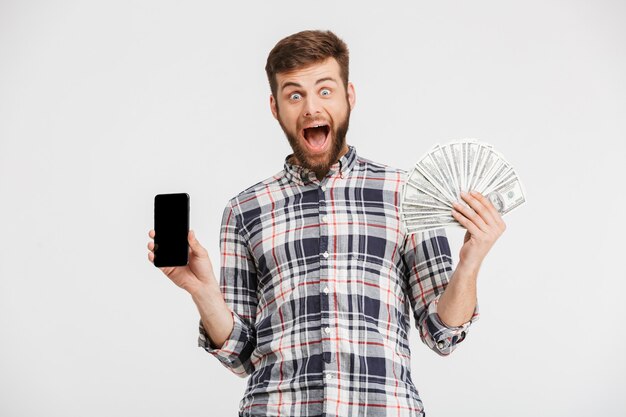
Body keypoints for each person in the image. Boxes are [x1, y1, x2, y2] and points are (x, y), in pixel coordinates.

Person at [147, 30, 506, 417]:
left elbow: (442, 334)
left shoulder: (406, 194)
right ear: (275, 107)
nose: (310, 108)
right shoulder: (244, 210)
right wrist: (202, 291)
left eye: (324, 90)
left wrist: (470, 260)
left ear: (349, 97)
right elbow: (241, 356)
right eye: (294, 94)